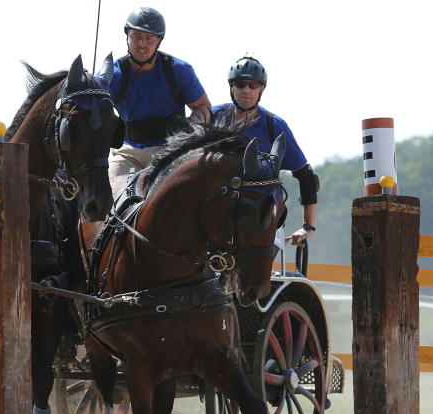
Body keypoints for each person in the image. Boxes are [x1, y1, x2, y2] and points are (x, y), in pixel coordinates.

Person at [212, 56, 319, 246]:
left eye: (253, 85)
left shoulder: (275, 126)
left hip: (261, 214)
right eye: (240, 84)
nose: (246, 90)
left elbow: (306, 176)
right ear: (231, 87)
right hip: (217, 208)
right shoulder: (213, 117)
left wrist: (307, 227)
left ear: (262, 89)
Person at [102, 7, 212, 178]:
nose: (141, 44)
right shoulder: (113, 74)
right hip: (126, 151)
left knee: (162, 193)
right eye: (136, 36)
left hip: (168, 148)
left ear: (159, 40)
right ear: (127, 38)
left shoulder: (179, 70)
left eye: (149, 38)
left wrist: (190, 125)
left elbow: (204, 107)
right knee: (106, 193)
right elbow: (91, 107)